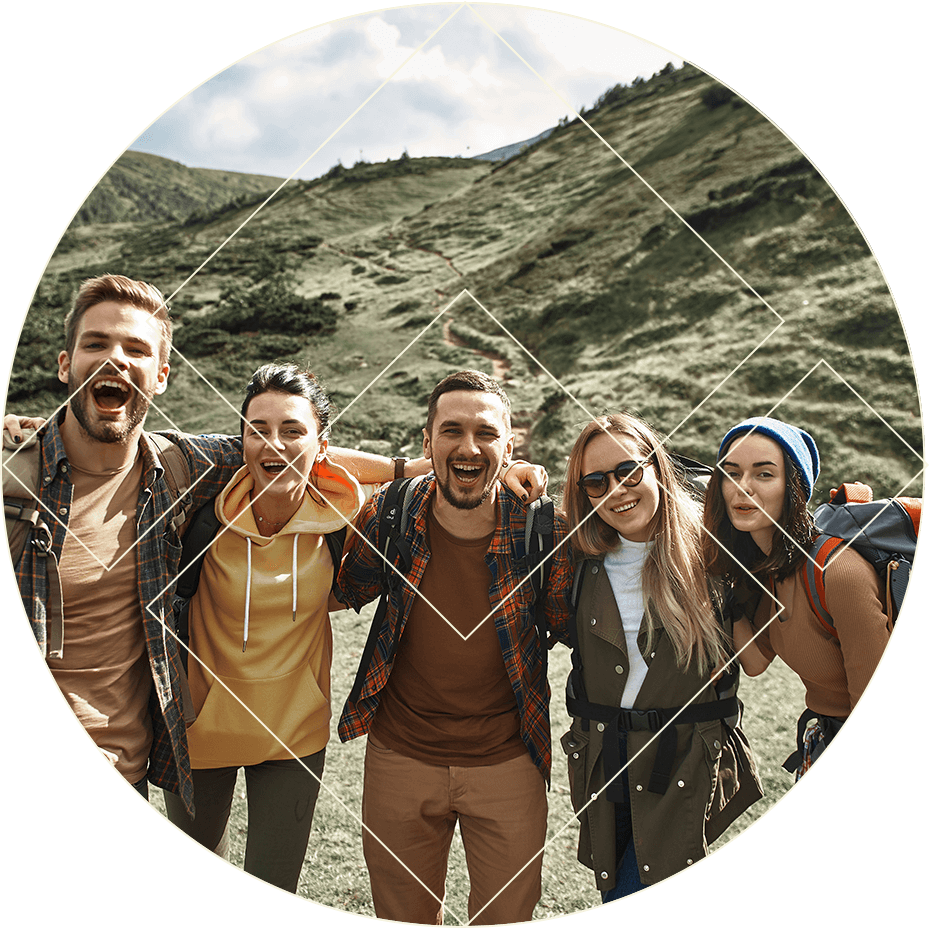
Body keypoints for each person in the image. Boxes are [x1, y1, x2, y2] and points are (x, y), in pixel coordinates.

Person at [6, 274, 546, 820]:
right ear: (63, 363)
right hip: (190, 737)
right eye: (96, 344)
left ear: (162, 375)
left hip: (132, 760)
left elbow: (306, 455)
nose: (115, 360)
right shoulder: (16, 481)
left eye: (136, 348)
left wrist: (473, 468)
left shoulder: (171, 467)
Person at [331, 369, 573, 926]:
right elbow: (342, 590)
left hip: (508, 762)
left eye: (486, 434)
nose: (468, 447)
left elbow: (574, 622)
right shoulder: (393, 512)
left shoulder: (543, 527)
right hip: (399, 757)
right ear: (426, 443)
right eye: (451, 431)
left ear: (509, 447)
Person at [560, 413, 762, 901]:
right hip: (604, 764)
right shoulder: (574, 555)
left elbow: (756, 660)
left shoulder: (714, 553)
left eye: (629, 471)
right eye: (596, 481)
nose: (616, 490)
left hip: (683, 764)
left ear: (657, 468)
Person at [702, 416, 892, 777]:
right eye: (731, 473)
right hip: (821, 736)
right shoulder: (771, 568)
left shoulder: (838, 573)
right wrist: (717, 588)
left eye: (763, 474)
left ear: (794, 488)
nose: (743, 488)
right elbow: (756, 661)